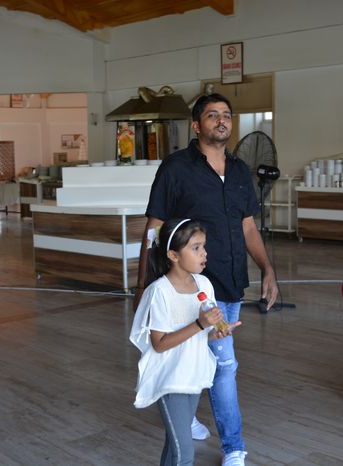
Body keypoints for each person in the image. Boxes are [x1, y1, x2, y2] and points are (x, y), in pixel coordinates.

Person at [135, 93, 279, 466]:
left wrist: (267, 269)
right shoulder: (176, 168)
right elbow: (154, 229)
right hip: (188, 288)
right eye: (212, 115)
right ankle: (234, 447)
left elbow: (248, 227)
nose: (221, 120)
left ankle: (189, 419)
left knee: (209, 359)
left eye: (226, 114)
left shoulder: (240, 170)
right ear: (196, 125)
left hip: (228, 284)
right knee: (218, 364)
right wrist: (144, 287)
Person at [130, 218, 240, 466]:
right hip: (170, 379)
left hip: (193, 374)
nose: (204, 253)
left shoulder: (204, 284)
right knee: (184, 454)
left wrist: (215, 333)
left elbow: (199, 337)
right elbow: (159, 343)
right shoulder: (160, 292)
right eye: (196, 248)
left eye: (204, 246)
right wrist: (200, 324)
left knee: (174, 446)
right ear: (173, 255)